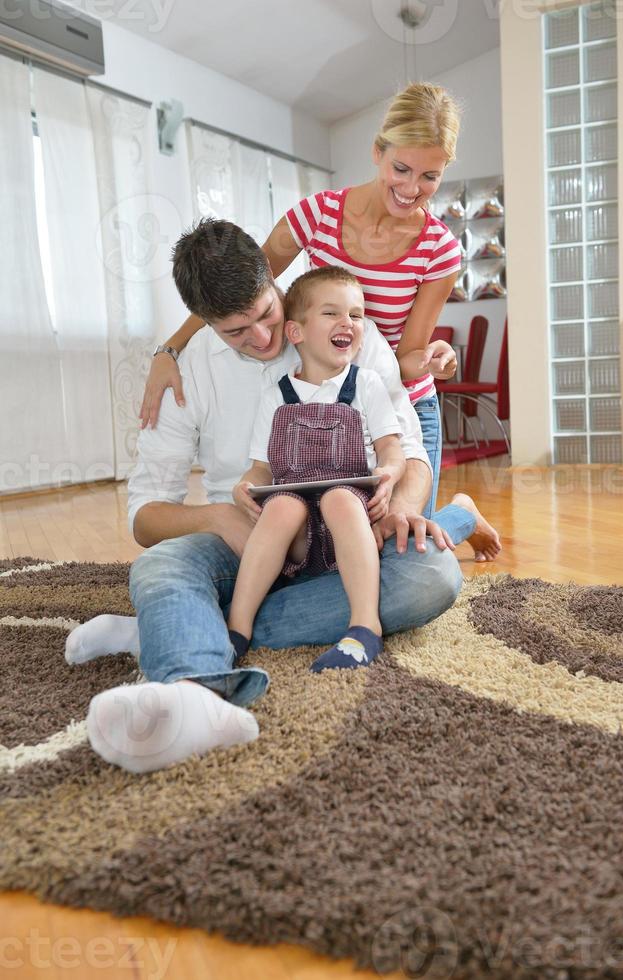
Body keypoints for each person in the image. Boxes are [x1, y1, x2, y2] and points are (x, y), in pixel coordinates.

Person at [68, 220, 496, 776]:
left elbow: (409, 452)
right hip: (256, 540)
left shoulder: (342, 331)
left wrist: (401, 509)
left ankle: (172, 628)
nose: (262, 338)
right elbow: (145, 515)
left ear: (275, 281)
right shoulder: (185, 368)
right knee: (161, 565)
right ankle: (196, 691)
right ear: (205, 324)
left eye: (266, 315)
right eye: (236, 331)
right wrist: (223, 516)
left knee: (432, 577)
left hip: (352, 534)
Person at [138, 82, 496, 537]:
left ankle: (460, 511)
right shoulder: (318, 214)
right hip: (331, 390)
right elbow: (239, 292)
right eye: (401, 168)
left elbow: (407, 356)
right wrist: (170, 349)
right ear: (377, 151)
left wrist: (432, 360)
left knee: (404, 530)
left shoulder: (439, 250)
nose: (411, 189)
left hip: (399, 394)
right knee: (347, 538)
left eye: (430, 177)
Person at [228, 266, 406, 674]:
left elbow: (391, 451)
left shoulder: (366, 385)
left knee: (340, 497)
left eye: (356, 315)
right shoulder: (276, 395)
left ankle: (364, 625)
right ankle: (236, 628)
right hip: (298, 537)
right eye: (332, 313)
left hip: (349, 520)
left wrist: (389, 476)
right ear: (296, 332)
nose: (348, 323)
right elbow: (260, 469)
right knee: (283, 507)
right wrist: (245, 485)